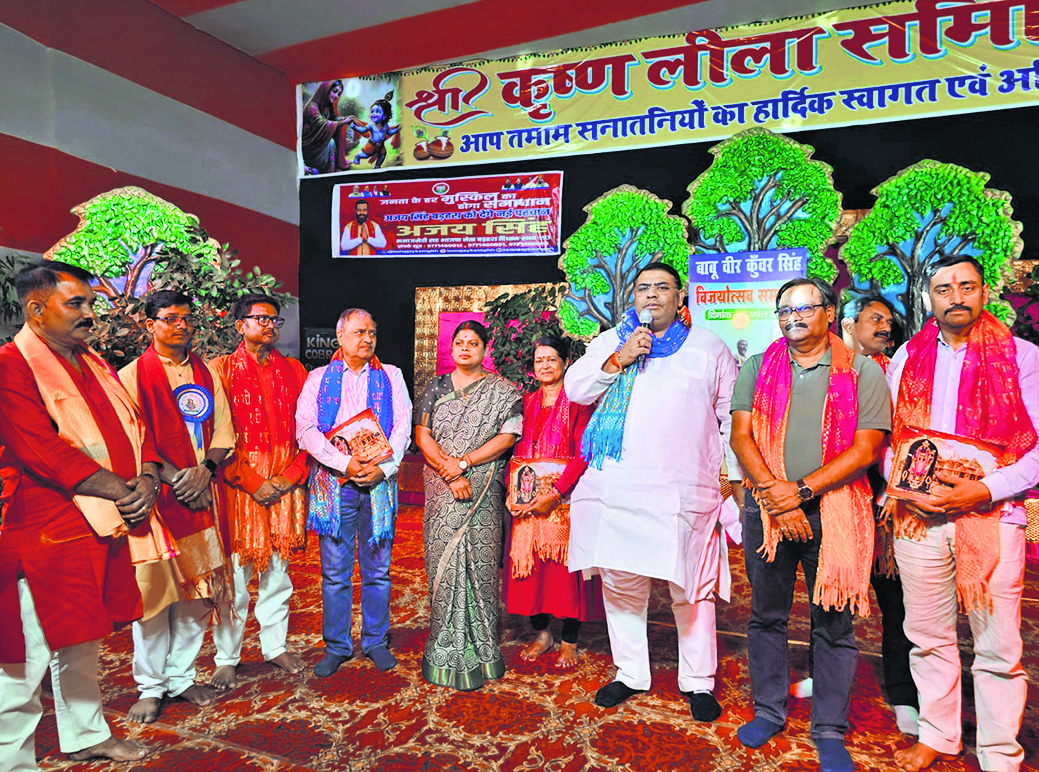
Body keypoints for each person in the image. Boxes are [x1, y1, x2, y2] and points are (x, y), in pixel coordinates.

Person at [0, 261, 165, 767]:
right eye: (76, 303)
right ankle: (12, 761)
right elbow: (39, 449)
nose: (90, 313)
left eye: (91, 302)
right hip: (40, 532)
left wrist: (149, 477)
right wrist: (125, 490)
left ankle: (87, 735)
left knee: (82, 637)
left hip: (99, 524)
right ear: (36, 309)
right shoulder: (11, 365)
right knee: (24, 659)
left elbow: (137, 426)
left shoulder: (93, 362)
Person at [564, 261, 740, 722]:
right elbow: (576, 389)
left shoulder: (708, 347)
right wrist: (617, 359)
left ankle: (698, 681)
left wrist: (732, 481)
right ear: (633, 297)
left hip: (683, 489)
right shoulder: (612, 340)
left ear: (681, 298)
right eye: (643, 288)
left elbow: (731, 416)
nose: (652, 295)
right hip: (617, 487)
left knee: (692, 588)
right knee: (622, 585)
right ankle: (630, 672)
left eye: (663, 287)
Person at [730, 277, 890, 772]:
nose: (793, 317)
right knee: (766, 617)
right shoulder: (758, 366)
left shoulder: (861, 370)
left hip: (834, 513)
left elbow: (866, 449)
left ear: (829, 312)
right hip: (768, 513)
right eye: (784, 309)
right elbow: (741, 437)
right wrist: (779, 500)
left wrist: (799, 493)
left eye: (804, 307)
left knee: (834, 626)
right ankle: (769, 711)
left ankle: (829, 729)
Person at [886, 255, 1038, 772]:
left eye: (966, 286)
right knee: (927, 635)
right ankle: (939, 734)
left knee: (997, 645)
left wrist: (985, 490)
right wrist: (903, 483)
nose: (956, 296)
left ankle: (999, 752)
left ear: (984, 292)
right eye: (944, 288)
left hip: (992, 517)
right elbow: (892, 438)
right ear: (929, 297)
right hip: (918, 516)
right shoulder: (908, 356)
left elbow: (1036, 449)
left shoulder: (1021, 357)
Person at [119, 289, 235, 724]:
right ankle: (151, 687)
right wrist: (177, 479)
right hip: (155, 502)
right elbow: (133, 440)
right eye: (170, 318)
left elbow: (223, 431)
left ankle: (181, 677)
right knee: (155, 598)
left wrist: (204, 470)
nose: (181, 325)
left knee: (197, 595)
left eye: (187, 317)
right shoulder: (131, 376)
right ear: (150, 324)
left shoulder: (207, 373)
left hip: (202, 498)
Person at [296, 308, 412, 676]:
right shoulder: (318, 378)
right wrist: (344, 463)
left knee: (378, 571)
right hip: (335, 485)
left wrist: (382, 469)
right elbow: (306, 429)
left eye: (372, 333)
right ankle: (337, 646)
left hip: (379, 484)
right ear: (340, 337)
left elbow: (403, 428)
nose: (367, 339)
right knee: (335, 573)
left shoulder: (391, 375)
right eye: (360, 332)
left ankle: (375, 641)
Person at [208, 295, 310, 690]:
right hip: (238, 488)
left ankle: (274, 647)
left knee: (278, 576)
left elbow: (309, 430)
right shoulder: (220, 370)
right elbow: (212, 435)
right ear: (240, 325)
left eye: (274, 320)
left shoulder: (294, 370)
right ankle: (226, 657)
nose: (269, 325)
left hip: (285, 486)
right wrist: (251, 481)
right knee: (235, 579)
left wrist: (291, 476)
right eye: (260, 319)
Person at [414, 320, 522, 690]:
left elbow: (508, 435)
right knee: (441, 565)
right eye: (459, 342)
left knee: (482, 563)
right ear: (452, 348)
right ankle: (443, 648)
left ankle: (484, 649)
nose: (465, 348)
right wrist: (449, 471)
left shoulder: (502, 391)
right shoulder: (436, 386)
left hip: (482, 487)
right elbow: (423, 435)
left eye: (473, 343)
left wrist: (464, 463)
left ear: (484, 349)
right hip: (442, 486)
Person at [502, 337, 604, 670]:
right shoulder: (526, 403)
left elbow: (584, 452)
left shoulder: (579, 403)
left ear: (565, 363)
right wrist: (512, 491)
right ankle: (543, 634)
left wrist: (556, 493)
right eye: (539, 360)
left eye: (551, 359)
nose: (544, 365)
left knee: (566, 576)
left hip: (566, 502)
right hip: (528, 501)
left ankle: (569, 641)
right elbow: (515, 451)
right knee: (532, 572)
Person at [300, 80, 354, 174]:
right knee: (330, 142)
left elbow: (333, 119)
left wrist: (343, 119)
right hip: (310, 148)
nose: (336, 96)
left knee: (333, 138)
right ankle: (328, 170)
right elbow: (322, 124)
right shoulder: (312, 108)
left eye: (338, 94)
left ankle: (332, 168)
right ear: (326, 90)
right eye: (334, 91)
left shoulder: (326, 106)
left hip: (319, 143)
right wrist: (343, 122)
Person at [350, 92, 401, 169]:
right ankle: (357, 157)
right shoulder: (371, 125)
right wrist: (355, 128)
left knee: (382, 155)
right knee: (366, 155)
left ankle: (377, 166)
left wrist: (396, 130)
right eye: (372, 111)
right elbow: (363, 130)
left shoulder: (385, 126)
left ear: (384, 116)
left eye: (377, 111)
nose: (374, 114)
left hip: (381, 145)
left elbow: (389, 132)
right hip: (372, 144)